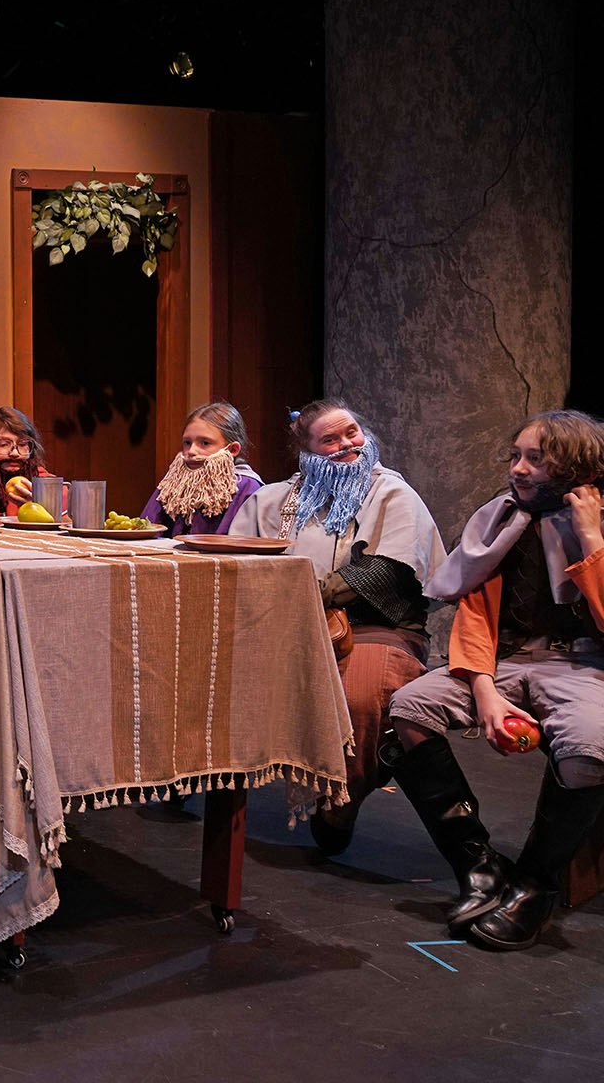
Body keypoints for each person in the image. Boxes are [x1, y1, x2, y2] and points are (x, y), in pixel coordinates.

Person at [383, 410, 604, 951]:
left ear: (575, 465)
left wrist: (592, 538)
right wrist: (483, 687)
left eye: (536, 458)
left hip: (583, 664)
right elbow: (476, 617)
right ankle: (478, 866)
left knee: (588, 750)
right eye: (515, 456)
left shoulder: (599, 523)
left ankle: (533, 884)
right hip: (502, 662)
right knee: (410, 708)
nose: (519, 470)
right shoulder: (500, 520)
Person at [229, 398, 445, 854]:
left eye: (352, 433)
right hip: (282, 625)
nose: (347, 444)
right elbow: (239, 561)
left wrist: (309, 594)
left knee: (361, 696)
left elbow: (387, 570)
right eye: (330, 439)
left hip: (373, 626)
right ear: (306, 451)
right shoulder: (272, 501)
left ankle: (340, 802)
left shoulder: (390, 493)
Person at [140, 401, 264, 535]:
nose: (191, 451)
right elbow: (147, 529)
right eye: (187, 443)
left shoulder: (246, 486)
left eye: (205, 443)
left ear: (232, 449)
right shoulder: (175, 483)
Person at [0, 406, 59, 520]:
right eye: (3, 444)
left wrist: (41, 507)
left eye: (23, 444)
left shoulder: (52, 487)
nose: (14, 453)